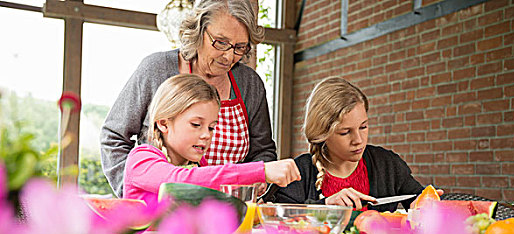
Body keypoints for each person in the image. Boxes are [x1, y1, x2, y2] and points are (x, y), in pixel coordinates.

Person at [101, 0, 276, 197]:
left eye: (239, 47)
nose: (228, 56)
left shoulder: (249, 84)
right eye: (221, 42)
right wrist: (135, 195)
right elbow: (113, 137)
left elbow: (263, 152)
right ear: (199, 30)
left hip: (226, 213)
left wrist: (253, 192)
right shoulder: (156, 69)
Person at [123, 74, 300, 205]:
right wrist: (261, 170)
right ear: (163, 124)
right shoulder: (141, 159)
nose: (206, 135)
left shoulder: (201, 167)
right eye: (196, 124)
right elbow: (179, 182)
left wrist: (247, 210)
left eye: (211, 127)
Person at [266, 77, 425, 212]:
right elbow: (279, 216)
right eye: (345, 132)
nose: (358, 140)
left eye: (363, 127)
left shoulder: (387, 164)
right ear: (322, 133)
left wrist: (427, 204)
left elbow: (417, 197)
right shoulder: (298, 173)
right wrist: (325, 206)